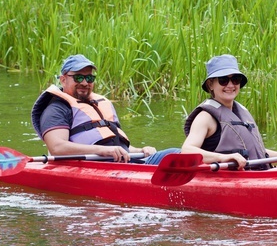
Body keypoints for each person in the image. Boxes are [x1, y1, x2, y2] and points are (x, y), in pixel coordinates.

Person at [31, 54, 178, 164]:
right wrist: (102, 151)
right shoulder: (57, 108)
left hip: (122, 163)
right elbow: (57, 147)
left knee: (178, 155)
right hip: (94, 167)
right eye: (78, 77)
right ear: (63, 79)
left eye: (89, 78)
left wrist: (140, 150)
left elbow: (114, 145)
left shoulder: (101, 103)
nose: (84, 82)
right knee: (175, 156)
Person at [182, 54, 277, 170]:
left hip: (257, 174)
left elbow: (258, 154)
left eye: (235, 79)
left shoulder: (240, 113)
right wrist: (224, 158)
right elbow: (187, 151)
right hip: (232, 177)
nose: (230, 85)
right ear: (211, 84)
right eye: (223, 80)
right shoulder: (205, 117)